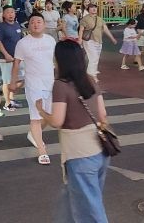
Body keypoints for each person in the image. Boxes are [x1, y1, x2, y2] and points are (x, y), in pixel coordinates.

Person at [35, 40, 111, 223]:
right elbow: (103, 114)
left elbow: (57, 121)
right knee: (75, 199)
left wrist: (41, 111)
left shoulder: (61, 85)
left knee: (91, 209)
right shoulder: (90, 79)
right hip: (101, 150)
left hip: (80, 154)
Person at [11, 12, 57, 165]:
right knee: (36, 117)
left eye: (39, 21)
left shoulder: (51, 41)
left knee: (49, 116)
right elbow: (16, 63)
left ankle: (34, 134)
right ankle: (42, 152)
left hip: (50, 83)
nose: (36, 24)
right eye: (33, 22)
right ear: (29, 26)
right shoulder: (23, 43)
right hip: (33, 84)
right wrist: (13, 82)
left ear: (44, 25)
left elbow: (56, 61)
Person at [0, 5, 23, 112]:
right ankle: (7, 103)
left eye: (12, 12)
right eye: (8, 12)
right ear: (4, 15)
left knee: (21, 79)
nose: (11, 14)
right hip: (6, 59)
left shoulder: (16, 24)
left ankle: (10, 98)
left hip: (18, 57)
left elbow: (20, 40)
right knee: (7, 81)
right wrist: (6, 55)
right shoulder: (1, 27)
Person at [79, 3, 118, 82]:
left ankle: (92, 74)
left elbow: (105, 29)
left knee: (95, 58)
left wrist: (112, 38)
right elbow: (81, 29)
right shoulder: (85, 19)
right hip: (89, 40)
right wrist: (80, 39)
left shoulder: (100, 19)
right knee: (93, 58)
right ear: (88, 9)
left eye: (95, 8)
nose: (94, 9)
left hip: (99, 41)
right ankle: (92, 76)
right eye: (92, 8)